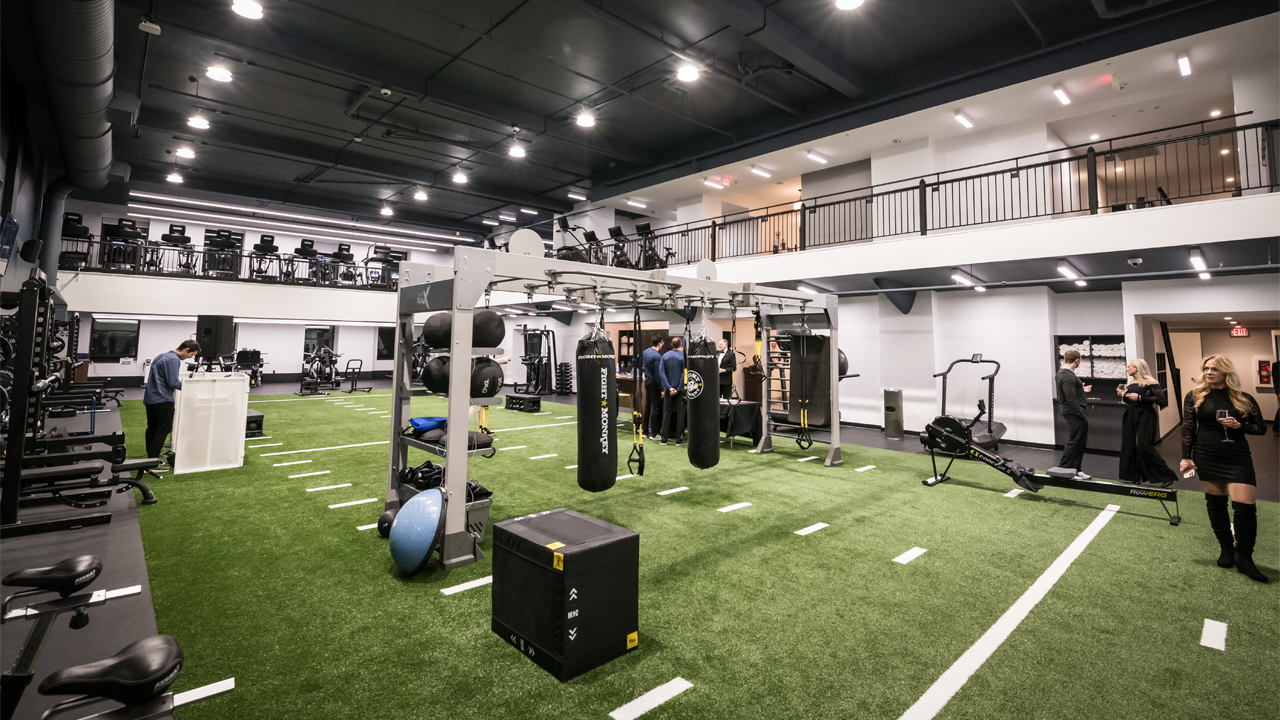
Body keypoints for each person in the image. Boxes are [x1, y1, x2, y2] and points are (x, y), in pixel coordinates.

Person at [1180, 354, 1269, 583]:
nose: (1209, 372)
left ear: (1226, 373)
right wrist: (1185, 457)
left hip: (1237, 456)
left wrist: (1240, 426)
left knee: (1245, 508)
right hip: (1206, 454)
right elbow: (1188, 429)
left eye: (1214, 369)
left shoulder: (1243, 398)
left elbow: (1261, 428)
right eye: (1206, 369)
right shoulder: (1194, 396)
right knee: (1216, 504)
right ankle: (1226, 549)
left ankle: (1245, 556)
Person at [1116, 359, 1178, 487]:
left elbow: (1161, 400)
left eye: (1129, 367)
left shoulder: (1151, 382)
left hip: (1146, 415)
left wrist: (1140, 398)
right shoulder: (1131, 382)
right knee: (1129, 445)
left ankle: (1167, 475)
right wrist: (1124, 395)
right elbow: (1130, 401)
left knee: (1145, 446)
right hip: (1130, 414)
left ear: (1137, 368)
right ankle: (1134, 476)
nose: (1127, 369)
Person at [144, 339, 201, 469]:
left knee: (152, 428)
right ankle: (153, 462)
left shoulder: (161, 356)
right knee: (164, 428)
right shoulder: (174, 360)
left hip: (150, 399)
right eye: (191, 355)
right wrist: (192, 387)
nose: (190, 357)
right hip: (163, 399)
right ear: (186, 350)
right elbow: (172, 382)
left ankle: (149, 460)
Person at [1055, 349, 1092, 479]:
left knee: (1080, 442)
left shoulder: (1064, 374)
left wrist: (1081, 389)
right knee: (1075, 441)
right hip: (1074, 413)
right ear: (1077, 360)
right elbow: (1070, 397)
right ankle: (1065, 469)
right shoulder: (1067, 375)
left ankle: (1076, 469)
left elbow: (1070, 392)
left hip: (1073, 411)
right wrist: (1080, 413)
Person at [659, 337, 686, 446]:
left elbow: (661, 373)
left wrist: (669, 387)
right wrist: (679, 388)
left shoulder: (665, 356)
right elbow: (685, 374)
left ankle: (663, 439)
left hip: (668, 390)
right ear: (681, 344)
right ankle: (678, 440)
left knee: (666, 414)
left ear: (671, 345)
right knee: (680, 415)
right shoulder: (683, 357)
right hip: (679, 391)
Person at [641, 337, 665, 439]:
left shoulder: (645, 352)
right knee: (655, 408)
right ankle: (655, 433)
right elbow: (657, 374)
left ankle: (645, 431)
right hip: (654, 383)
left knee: (647, 406)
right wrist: (662, 389)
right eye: (662, 342)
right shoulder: (657, 356)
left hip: (647, 381)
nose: (663, 344)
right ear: (659, 343)